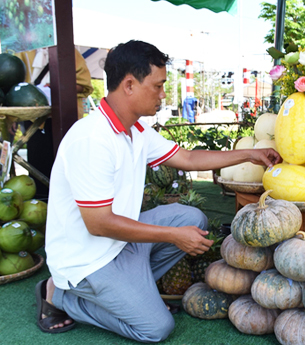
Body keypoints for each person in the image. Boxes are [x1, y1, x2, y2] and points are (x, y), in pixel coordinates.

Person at [35, 40, 281, 342]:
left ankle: (133, 293)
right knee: (155, 328)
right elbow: (98, 224)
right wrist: (172, 236)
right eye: (158, 85)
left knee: (190, 218)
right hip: (88, 260)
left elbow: (188, 159)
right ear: (129, 85)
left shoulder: (136, 129)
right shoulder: (91, 140)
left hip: (120, 245)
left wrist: (249, 155)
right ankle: (59, 296)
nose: (163, 94)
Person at [14, 48, 94, 198]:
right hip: (32, 118)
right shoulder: (23, 52)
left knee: (66, 166)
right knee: (38, 164)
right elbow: (12, 87)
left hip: (64, 117)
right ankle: (41, 202)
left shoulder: (69, 51)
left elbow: (84, 85)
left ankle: (68, 199)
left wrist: (58, 87)